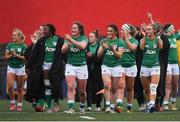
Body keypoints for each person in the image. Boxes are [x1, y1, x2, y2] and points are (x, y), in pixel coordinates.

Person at [26, 24, 64, 113]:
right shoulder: (41, 41)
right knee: (47, 86)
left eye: (45, 30)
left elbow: (64, 53)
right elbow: (33, 55)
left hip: (56, 67)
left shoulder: (59, 40)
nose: (43, 31)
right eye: (43, 30)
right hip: (45, 66)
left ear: (51, 31)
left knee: (55, 86)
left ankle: (56, 102)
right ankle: (48, 107)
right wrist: (28, 66)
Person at [62, 22, 88, 114]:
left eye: (75, 28)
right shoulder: (68, 39)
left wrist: (71, 40)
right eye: (72, 28)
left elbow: (82, 46)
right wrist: (68, 44)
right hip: (70, 65)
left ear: (80, 30)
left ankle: (82, 106)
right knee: (70, 86)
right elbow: (63, 50)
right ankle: (71, 108)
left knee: (82, 91)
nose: (72, 29)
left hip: (82, 66)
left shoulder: (84, 38)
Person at [97, 24, 124, 113]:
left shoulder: (120, 42)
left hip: (117, 66)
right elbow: (98, 55)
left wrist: (113, 50)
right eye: (107, 31)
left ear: (115, 32)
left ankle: (112, 106)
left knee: (115, 88)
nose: (108, 33)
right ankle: (107, 106)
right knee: (106, 85)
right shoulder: (104, 41)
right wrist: (103, 48)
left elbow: (119, 55)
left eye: (110, 31)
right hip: (106, 66)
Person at [140, 23, 163, 113]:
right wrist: (145, 37)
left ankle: (151, 105)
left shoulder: (158, 40)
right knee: (146, 89)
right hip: (144, 66)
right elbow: (141, 48)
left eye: (149, 29)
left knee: (153, 87)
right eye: (146, 29)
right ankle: (150, 103)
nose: (147, 31)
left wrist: (158, 37)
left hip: (155, 66)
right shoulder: (143, 39)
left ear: (154, 30)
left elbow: (161, 47)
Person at [5, 28, 27, 112]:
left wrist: (16, 55)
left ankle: (20, 105)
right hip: (11, 67)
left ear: (19, 36)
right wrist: (11, 55)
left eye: (14, 35)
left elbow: (25, 58)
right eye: (13, 35)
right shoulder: (10, 45)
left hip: (20, 68)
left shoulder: (23, 46)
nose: (13, 36)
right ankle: (12, 103)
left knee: (20, 88)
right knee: (10, 86)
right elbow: (6, 56)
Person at [120, 24, 138, 113]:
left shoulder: (134, 41)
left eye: (123, 30)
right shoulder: (119, 41)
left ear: (128, 31)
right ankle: (119, 105)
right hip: (121, 66)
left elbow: (131, 48)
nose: (121, 32)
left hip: (131, 67)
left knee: (130, 88)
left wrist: (126, 38)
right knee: (121, 85)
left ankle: (129, 106)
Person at [163, 24, 180, 111]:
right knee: (168, 84)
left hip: (175, 64)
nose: (174, 29)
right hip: (167, 64)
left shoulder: (175, 36)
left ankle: (173, 101)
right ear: (169, 30)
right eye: (173, 28)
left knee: (175, 84)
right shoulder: (164, 38)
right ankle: (165, 103)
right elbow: (157, 30)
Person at [86, 30, 103, 112]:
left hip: (98, 70)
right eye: (89, 36)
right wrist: (91, 58)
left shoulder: (100, 46)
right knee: (88, 88)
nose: (89, 38)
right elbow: (85, 59)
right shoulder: (86, 46)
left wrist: (92, 56)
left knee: (98, 87)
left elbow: (100, 60)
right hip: (88, 70)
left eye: (91, 37)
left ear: (96, 38)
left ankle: (98, 105)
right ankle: (89, 106)